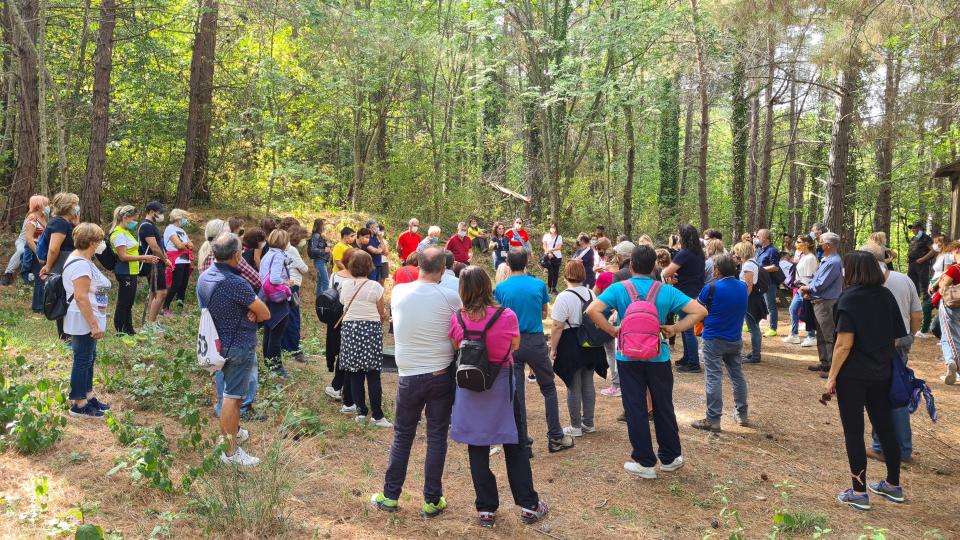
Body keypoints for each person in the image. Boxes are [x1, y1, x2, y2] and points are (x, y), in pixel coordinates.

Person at [585, 245, 707, 479]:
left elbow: (592, 310)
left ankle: (644, 462)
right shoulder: (666, 291)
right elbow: (699, 311)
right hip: (658, 356)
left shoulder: (619, 289)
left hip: (627, 357)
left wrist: (613, 331)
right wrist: (675, 328)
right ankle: (670, 457)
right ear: (654, 267)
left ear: (630, 266)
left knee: (635, 408)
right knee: (663, 405)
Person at [444, 265, 549, 528]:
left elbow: (456, 347)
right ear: (488, 286)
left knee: (476, 446)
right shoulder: (507, 316)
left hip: (470, 388)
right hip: (501, 385)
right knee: (514, 443)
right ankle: (529, 504)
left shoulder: (457, 318)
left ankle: (486, 509)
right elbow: (513, 346)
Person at [370, 247, 460, 517]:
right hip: (440, 374)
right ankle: (432, 499)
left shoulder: (399, 292)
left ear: (417, 264)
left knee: (402, 435)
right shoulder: (451, 297)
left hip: (408, 375)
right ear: (443, 270)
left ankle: (390, 496)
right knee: (436, 437)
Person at [825, 251, 905, 511]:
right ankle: (893, 485)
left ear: (853, 270)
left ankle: (859, 492)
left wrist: (832, 377)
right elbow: (896, 338)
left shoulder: (849, 298)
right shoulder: (886, 296)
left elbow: (843, 344)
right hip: (882, 373)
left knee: (854, 431)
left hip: (853, 376)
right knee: (885, 427)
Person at [197, 233, 271, 466]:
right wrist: (252, 311)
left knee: (229, 394)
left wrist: (250, 310)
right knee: (233, 397)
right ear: (237, 255)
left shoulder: (204, 277)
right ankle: (230, 452)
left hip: (217, 344)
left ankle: (233, 431)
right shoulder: (236, 283)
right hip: (238, 345)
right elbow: (265, 313)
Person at [495, 249, 574, 454]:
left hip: (511, 343)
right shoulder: (538, 284)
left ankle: (522, 442)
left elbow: (499, 315)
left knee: (517, 392)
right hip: (534, 340)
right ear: (527, 262)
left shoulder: (501, 288)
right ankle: (555, 436)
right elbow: (544, 312)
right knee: (548, 387)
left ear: (508, 264)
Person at [861, 241, 920, 463]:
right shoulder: (904, 279)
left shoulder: (870, 282)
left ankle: (884, 446)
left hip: (881, 346)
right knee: (897, 393)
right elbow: (916, 315)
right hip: (901, 342)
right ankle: (901, 447)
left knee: (881, 396)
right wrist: (908, 338)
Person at [689, 254, 748, 432]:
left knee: (713, 377)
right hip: (735, 338)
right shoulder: (743, 286)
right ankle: (742, 414)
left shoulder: (711, 288)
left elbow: (696, 308)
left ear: (717, 270)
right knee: (737, 376)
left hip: (714, 338)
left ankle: (713, 419)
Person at [549, 260, 605, 437]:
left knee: (573, 385)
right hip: (590, 342)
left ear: (566, 275)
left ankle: (575, 426)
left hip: (570, 342)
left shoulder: (563, 297)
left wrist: (553, 348)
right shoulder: (591, 294)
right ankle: (588, 422)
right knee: (588, 382)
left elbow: (557, 326)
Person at [62, 223, 113, 418]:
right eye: (100, 240)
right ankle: (79, 403)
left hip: (89, 316)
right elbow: (81, 297)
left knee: (89, 358)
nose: (102, 244)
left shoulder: (85, 259)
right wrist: (93, 324)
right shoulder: (81, 264)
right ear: (92, 242)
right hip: (83, 318)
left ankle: (88, 395)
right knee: (82, 359)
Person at [339, 250, 390, 427]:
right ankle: (377, 415)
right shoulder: (375, 286)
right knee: (373, 374)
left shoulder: (345, 285)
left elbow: (342, 302)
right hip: (370, 329)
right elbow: (381, 312)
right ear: (369, 266)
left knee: (355, 373)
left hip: (350, 329)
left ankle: (361, 412)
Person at [661, 224, 707, 373]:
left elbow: (667, 272)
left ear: (684, 237)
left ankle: (693, 362)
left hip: (685, 294)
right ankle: (687, 357)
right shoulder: (699, 253)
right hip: (696, 292)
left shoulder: (684, 253)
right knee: (686, 326)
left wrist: (669, 275)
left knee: (687, 329)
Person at [110, 205, 158, 335]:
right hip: (125, 271)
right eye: (133, 219)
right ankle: (120, 330)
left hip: (132, 270)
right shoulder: (118, 233)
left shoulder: (125, 232)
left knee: (129, 302)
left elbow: (131, 252)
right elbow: (123, 256)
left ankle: (129, 330)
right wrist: (144, 257)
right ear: (125, 217)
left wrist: (143, 259)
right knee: (124, 302)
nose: (135, 223)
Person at [800, 232, 843, 377]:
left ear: (829, 245)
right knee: (821, 334)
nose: (819, 243)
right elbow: (817, 279)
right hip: (818, 300)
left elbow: (821, 283)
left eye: (822, 241)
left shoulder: (833, 262)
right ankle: (824, 363)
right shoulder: (827, 260)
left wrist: (808, 288)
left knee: (828, 335)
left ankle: (832, 368)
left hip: (825, 302)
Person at [39, 192, 81, 341]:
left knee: (71, 298)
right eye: (75, 205)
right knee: (63, 299)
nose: (77, 208)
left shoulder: (66, 223)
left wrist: (76, 224)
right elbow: (53, 248)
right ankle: (64, 336)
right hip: (61, 265)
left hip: (69, 264)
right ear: (68, 206)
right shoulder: (58, 223)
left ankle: (70, 333)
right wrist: (49, 266)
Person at [323, 248, 356, 412]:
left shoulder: (335, 275)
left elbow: (330, 294)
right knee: (346, 351)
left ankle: (337, 384)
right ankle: (338, 385)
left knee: (337, 348)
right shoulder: (357, 279)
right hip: (349, 317)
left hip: (333, 316)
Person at [257, 229, 294, 378]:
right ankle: (276, 367)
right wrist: (287, 283)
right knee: (277, 334)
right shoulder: (278, 256)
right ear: (285, 242)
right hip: (278, 299)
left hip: (266, 298)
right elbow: (274, 279)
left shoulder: (268, 254)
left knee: (269, 330)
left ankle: (268, 362)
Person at [138, 201, 173, 324]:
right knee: (161, 292)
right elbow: (154, 248)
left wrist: (165, 258)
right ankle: (151, 323)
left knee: (154, 292)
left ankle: (150, 322)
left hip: (158, 262)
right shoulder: (146, 226)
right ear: (152, 212)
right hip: (154, 263)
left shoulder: (151, 225)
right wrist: (165, 260)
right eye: (160, 212)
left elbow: (159, 246)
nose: (161, 215)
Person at [731, 241, 766, 364]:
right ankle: (755, 353)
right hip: (753, 298)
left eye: (737, 251)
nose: (736, 253)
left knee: (753, 328)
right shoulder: (750, 263)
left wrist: (743, 301)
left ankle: (756, 355)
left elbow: (749, 286)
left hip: (750, 299)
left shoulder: (748, 265)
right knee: (754, 327)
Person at [784, 235, 819, 347]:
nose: (796, 244)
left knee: (808, 311)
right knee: (793, 309)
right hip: (800, 288)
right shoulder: (803, 256)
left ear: (807, 244)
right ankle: (794, 334)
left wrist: (807, 291)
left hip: (805, 288)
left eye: (799, 242)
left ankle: (811, 336)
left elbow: (810, 276)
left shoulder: (810, 258)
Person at [282, 225, 310, 363]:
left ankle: (284, 346)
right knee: (294, 317)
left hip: (283, 285)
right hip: (292, 286)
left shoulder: (281, 247)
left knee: (284, 316)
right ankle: (295, 349)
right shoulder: (291, 249)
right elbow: (304, 268)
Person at [18, 196, 49, 311]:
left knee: (43, 278)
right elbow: (29, 239)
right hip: (34, 250)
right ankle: (38, 307)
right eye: (46, 204)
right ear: (39, 206)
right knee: (40, 279)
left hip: (42, 249)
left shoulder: (42, 218)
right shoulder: (32, 219)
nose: (48, 207)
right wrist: (38, 254)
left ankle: (41, 305)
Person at [162, 209, 195, 312]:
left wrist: (185, 245)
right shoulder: (170, 229)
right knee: (176, 284)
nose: (186, 220)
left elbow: (192, 246)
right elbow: (179, 245)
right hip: (176, 261)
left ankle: (179, 309)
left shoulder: (182, 230)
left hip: (186, 260)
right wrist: (185, 244)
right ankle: (165, 307)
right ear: (178, 217)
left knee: (183, 285)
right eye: (184, 217)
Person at [907, 221, 935, 338]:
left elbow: (933, 251)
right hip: (912, 265)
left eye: (913, 227)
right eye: (911, 228)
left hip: (922, 266)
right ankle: (911, 317)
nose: (912, 229)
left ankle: (925, 322)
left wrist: (923, 259)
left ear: (919, 228)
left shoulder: (926, 238)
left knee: (924, 290)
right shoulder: (914, 238)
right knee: (911, 288)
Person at [935, 257, 960, 385]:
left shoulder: (954, 269)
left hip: (952, 306)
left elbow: (943, 288)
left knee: (948, 336)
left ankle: (951, 362)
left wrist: (939, 283)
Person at [754, 229, 782, 337]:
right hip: (760, 282)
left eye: (758, 236)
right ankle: (754, 323)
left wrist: (761, 269)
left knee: (771, 305)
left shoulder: (772, 250)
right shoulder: (759, 250)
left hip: (769, 283)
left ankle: (773, 328)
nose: (756, 238)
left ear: (765, 237)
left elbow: (775, 267)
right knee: (758, 303)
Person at [308, 218, 331, 295]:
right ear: (320, 226)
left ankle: (319, 303)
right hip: (319, 261)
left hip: (321, 261)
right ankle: (327, 302)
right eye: (323, 225)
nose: (324, 227)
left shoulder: (318, 235)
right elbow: (313, 249)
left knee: (320, 282)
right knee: (326, 281)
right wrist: (324, 251)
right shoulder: (316, 235)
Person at [542, 223, 563, 294]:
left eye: (554, 227)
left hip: (557, 257)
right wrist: (548, 252)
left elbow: (559, 247)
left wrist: (551, 250)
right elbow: (544, 245)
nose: (552, 228)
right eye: (551, 227)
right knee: (550, 273)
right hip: (548, 256)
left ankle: (554, 288)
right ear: (549, 228)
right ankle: (549, 287)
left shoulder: (559, 237)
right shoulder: (546, 236)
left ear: (556, 228)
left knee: (556, 273)